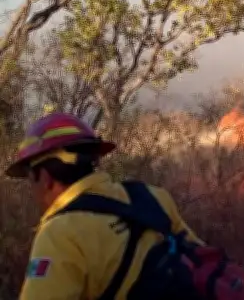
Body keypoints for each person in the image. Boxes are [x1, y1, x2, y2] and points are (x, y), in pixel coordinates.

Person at [6, 112, 205, 300]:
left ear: (45, 178)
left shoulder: (59, 233)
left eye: (30, 178)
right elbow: (201, 259)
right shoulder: (152, 197)